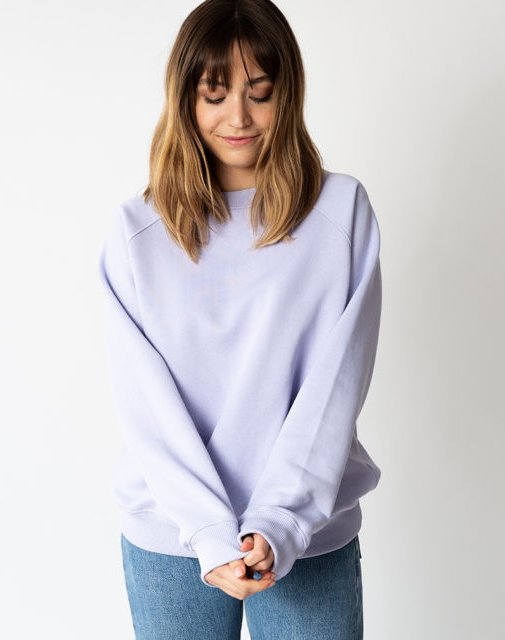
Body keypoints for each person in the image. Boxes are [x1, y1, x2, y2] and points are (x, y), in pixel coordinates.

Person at [97, 0, 382, 638]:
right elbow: (145, 404)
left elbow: (335, 386)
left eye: (260, 92)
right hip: (170, 530)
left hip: (310, 530)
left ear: (288, 93)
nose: (239, 117)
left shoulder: (340, 213)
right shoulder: (138, 232)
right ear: (185, 99)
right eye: (214, 94)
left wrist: (278, 522)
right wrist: (207, 529)